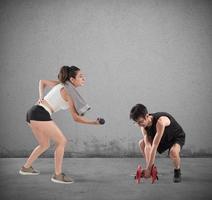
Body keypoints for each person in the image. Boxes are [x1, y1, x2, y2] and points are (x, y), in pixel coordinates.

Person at [19, 66, 104, 184]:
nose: (84, 78)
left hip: (33, 112)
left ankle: (26, 168)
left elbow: (42, 82)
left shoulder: (61, 84)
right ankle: (57, 175)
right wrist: (94, 122)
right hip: (40, 113)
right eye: (80, 76)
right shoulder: (69, 93)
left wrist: (40, 98)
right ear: (72, 80)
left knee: (44, 144)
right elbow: (76, 118)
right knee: (62, 141)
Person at [130, 104, 185, 183]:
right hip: (162, 139)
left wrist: (148, 170)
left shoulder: (160, 121)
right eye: (136, 123)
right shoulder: (143, 126)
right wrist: (149, 168)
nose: (139, 125)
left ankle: (177, 171)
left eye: (140, 122)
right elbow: (148, 146)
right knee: (142, 143)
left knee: (173, 152)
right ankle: (151, 169)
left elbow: (154, 147)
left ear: (147, 116)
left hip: (175, 137)